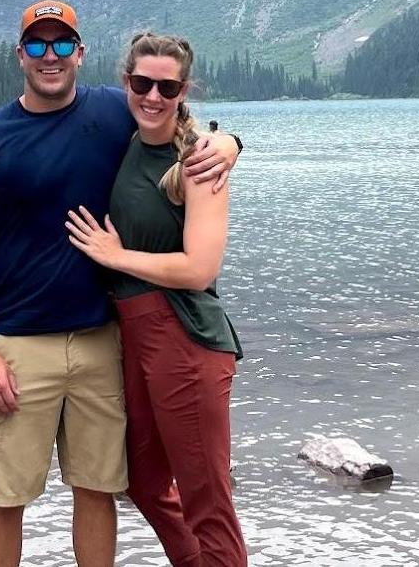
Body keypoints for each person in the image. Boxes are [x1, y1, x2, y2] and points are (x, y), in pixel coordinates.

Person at [0, 1, 240, 567]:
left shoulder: (116, 109)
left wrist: (230, 143)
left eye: (61, 45)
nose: (49, 56)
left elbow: (181, 123)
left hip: (105, 339)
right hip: (21, 342)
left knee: (99, 486)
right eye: (37, 45)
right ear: (20, 55)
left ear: (81, 53)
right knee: (6, 495)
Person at [66, 31, 247, 567]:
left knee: (207, 501)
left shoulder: (196, 163)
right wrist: (236, 139)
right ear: (127, 82)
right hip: (136, 339)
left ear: (184, 90)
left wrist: (114, 256)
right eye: (142, 82)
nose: (152, 96)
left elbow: (199, 269)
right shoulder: (127, 136)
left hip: (187, 340)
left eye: (166, 88)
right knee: (144, 482)